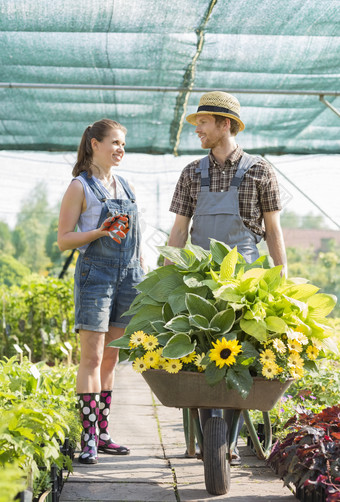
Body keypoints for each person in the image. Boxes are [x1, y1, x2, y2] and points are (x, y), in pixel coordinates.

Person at [165, 91, 287, 464]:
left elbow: (274, 230)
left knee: (240, 358)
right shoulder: (191, 173)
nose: (197, 130)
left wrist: (282, 279)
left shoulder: (260, 170)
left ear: (225, 124)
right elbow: (179, 231)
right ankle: (213, 443)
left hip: (245, 284)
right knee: (203, 358)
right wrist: (166, 282)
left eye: (203, 122)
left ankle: (225, 442)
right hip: (199, 280)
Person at [58, 119, 145, 465]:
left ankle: (104, 433)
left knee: (112, 358)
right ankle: (88, 438)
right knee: (92, 358)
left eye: (123, 144)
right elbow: (64, 240)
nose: (120, 149)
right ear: (95, 144)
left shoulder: (126, 185)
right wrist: (98, 232)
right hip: (95, 277)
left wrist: (142, 270)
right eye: (115, 142)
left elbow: (135, 238)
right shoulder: (80, 187)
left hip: (128, 277)